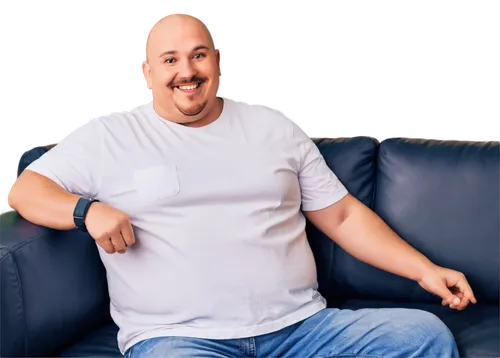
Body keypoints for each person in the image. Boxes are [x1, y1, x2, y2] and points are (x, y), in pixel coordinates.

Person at [7, 12, 475, 358]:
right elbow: (26, 191)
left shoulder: (275, 128)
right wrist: (87, 211)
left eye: (198, 54)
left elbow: (342, 214)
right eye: (169, 59)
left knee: (423, 336)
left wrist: (424, 270)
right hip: (177, 338)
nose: (186, 71)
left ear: (219, 62)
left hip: (303, 330)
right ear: (145, 74)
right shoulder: (108, 137)